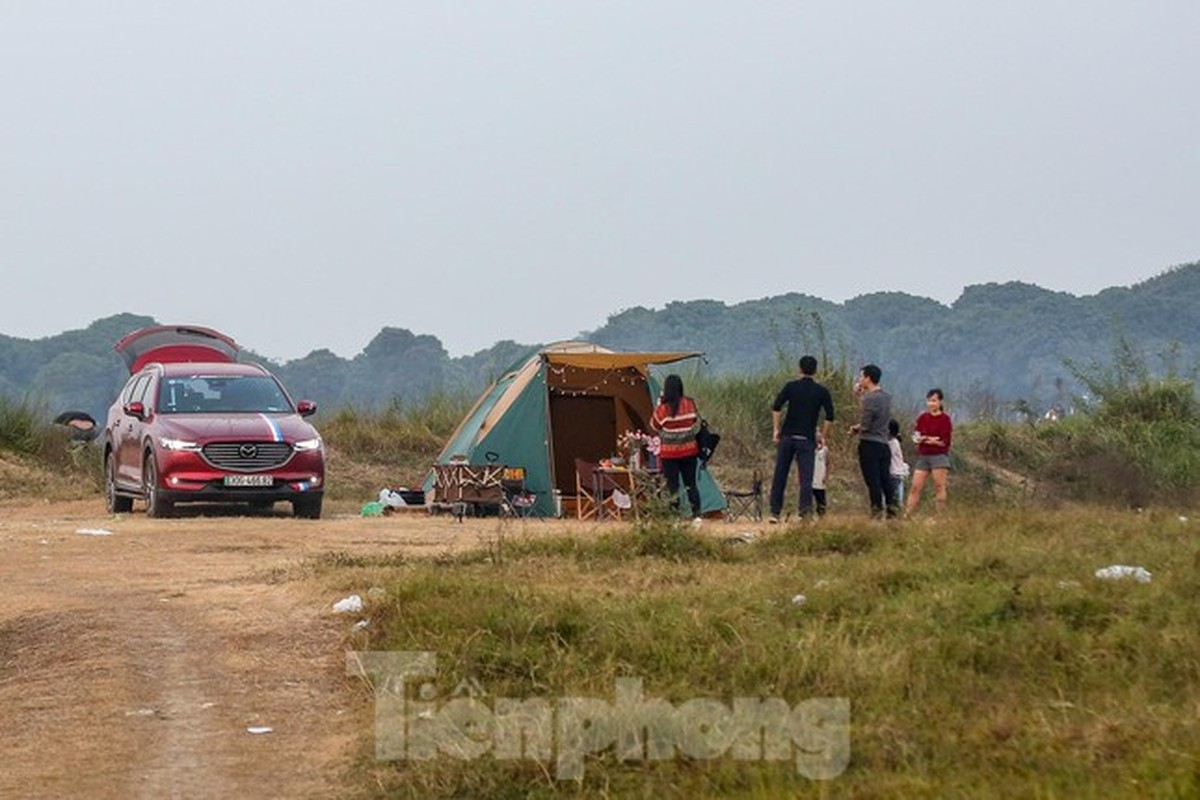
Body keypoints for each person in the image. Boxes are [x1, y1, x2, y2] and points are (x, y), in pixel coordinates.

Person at [768, 355, 835, 523]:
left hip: (788, 436)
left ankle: (775, 513)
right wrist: (823, 436)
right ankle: (804, 513)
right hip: (807, 439)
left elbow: (776, 407)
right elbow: (830, 416)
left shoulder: (791, 387)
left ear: (799, 369)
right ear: (816, 370)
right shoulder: (821, 391)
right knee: (806, 478)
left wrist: (776, 429)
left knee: (780, 474)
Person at [649, 374, 703, 521]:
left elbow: (654, 425)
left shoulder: (663, 409)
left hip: (669, 454)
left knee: (673, 486)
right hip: (689, 451)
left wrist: (660, 403)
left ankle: (675, 517)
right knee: (691, 483)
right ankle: (697, 514)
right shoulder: (690, 404)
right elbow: (694, 420)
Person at [848, 364, 896, 518]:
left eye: (861, 376)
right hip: (883, 443)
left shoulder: (870, 399)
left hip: (869, 444)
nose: (860, 379)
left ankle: (876, 512)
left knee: (873, 481)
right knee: (885, 479)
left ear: (868, 378)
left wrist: (855, 429)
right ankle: (892, 511)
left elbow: (866, 425)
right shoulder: (887, 397)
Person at [906, 388, 953, 516]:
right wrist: (928, 439)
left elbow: (943, 441)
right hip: (924, 456)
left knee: (939, 486)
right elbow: (916, 437)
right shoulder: (922, 418)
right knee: (915, 487)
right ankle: (908, 514)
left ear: (940, 402)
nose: (931, 403)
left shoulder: (945, 419)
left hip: (939, 456)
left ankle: (940, 515)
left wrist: (927, 439)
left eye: (934, 401)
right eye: (929, 401)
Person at [887, 418, 910, 509]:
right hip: (898, 473)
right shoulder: (895, 441)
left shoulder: (892, 443)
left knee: (894, 498)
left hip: (893, 472)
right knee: (897, 497)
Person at [811, 438, 830, 516]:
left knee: (820, 497)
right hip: (811, 476)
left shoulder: (825, 450)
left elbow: (828, 463)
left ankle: (821, 514)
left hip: (820, 477)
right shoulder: (810, 448)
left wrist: (826, 475)